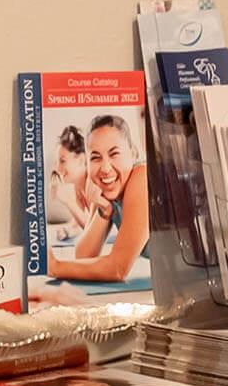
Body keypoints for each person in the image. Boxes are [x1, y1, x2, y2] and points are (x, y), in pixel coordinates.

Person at [47, 113, 150, 284]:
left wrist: (56, 267)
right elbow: (83, 255)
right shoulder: (105, 190)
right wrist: (104, 210)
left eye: (114, 154)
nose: (105, 168)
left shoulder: (142, 177)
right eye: (95, 157)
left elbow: (117, 269)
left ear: (133, 154)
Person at [46, 124, 96, 228]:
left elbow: (94, 231)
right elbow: (81, 220)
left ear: (81, 160)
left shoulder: (94, 182)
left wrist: (68, 201)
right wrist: (67, 231)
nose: (57, 168)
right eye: (56, 162)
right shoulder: (78, 187)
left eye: (62, 161)